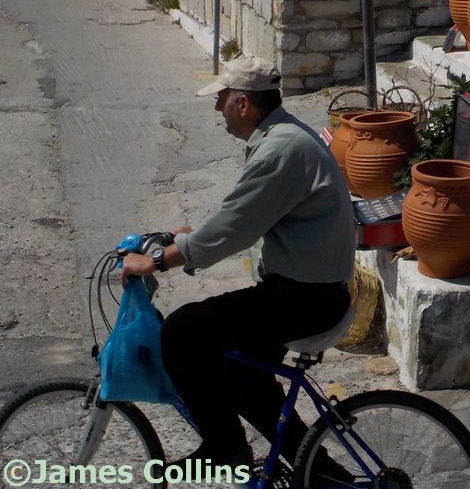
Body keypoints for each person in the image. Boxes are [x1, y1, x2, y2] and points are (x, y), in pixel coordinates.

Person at [120, 57, 356, 480]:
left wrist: (157, 259)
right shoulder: (281, 137)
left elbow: (234, 228)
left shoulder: (281, 149)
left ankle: (225, 448)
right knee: (244, 379)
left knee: (182, 331)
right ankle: (320, 475)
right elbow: (244, 214)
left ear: (243, 103)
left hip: (304, 298)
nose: (217, 109)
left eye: (222, 100)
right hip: (308, 291)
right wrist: (187, 237)